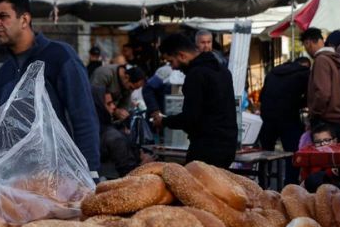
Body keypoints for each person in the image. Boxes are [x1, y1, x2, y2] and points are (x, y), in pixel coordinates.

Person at [0, 0, 100, 177]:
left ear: (24, 19)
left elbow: (83, 117)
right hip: (16, 183)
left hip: (61, 178)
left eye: (3, 16)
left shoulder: (60, 57)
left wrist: (91, 172)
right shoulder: (4, 72)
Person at [151, 32, 237, 168]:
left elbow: (190, 118)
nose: (172, 67)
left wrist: (164, 121)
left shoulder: (196, 75)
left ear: (181, 55)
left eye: (171, 61)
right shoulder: (222, 71)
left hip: (206, 149)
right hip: (228, 147)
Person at [257, 56, 310, 152]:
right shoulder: (304, 74)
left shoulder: (273, 72)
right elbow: (310, 97)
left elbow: (262, 97)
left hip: (267, 117)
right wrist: (297, 104)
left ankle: (264, 167)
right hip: (288, 117)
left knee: (266, 152)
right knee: (292, 153)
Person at [93, 86, 143, 179]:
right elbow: (129, 174)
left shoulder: (90, 131)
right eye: (109, 104)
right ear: (98, 107)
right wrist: (143, 164)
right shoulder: (114, 138)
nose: (114, 107)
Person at [302, 27, 340, 127]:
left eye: (305, 45)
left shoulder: (321, 60)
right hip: (339, 116)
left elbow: (323, 93)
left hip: (326, 119)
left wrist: (314, 113)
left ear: (308, 43)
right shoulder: (333, 58)